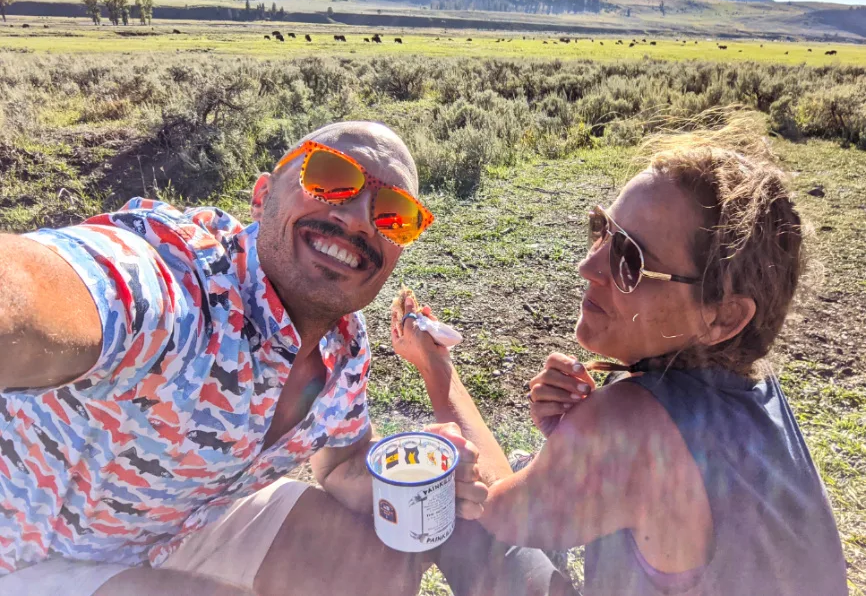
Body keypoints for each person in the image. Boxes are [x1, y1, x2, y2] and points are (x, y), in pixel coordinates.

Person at [0, 121, 571, 596]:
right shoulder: (179, 278)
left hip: (187, 519)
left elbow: (341, 467)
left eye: (394, 214)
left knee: (383, 562)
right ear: (261, 195)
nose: (357, 219)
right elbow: (45, 289)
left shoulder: (344, 344)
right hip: (25, 551)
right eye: (330, 178)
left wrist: (414, 473)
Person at [392, 114, 848, 595]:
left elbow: (490, 512)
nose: (588, 265)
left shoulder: (632, 420)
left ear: (722, 318)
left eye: (629, 260)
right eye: (601, 231)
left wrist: (438, 373)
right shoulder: (756, 386)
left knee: (450, 515)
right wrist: (572, 444)